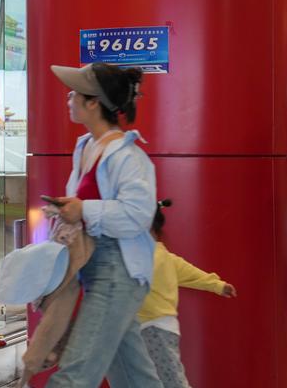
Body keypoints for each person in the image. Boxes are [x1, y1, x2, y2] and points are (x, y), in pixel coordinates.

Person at [44, 62, 163, 387]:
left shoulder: (129, 156)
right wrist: (69, 209)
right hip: (98, 270)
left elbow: (137, 215)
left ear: (94, 103)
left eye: (74, 93)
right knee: (135, 377)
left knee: (73, 375)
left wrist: (84, 209)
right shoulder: (86, 147)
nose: (68, 98)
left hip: (117, 273)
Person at [138, 199, 237, 388]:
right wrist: (218, 285)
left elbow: (193, 276)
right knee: (158, 377)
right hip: (146, 327)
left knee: (171, 378)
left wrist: (218, 285)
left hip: (155, 326)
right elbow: (195, 275)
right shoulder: (166, 258)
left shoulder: (153, 258)